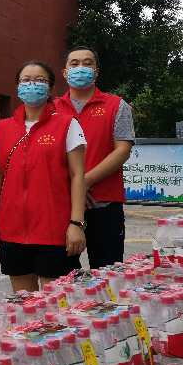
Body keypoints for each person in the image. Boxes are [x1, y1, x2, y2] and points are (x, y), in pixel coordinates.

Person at [0, 60, 88, 292]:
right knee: (24, 302)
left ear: (50, 88)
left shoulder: (67, 124)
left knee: (56, 303)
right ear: (17, 87)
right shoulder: (2, 128)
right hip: (12, 229)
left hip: (54, 229)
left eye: (40, 80)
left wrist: (76, 223)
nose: (32, 85)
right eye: (26, 80)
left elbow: (78, 175)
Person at [54, 46, 134, 269]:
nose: (81, 68)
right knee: (62, 277)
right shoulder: (51, 108)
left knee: (107, 275)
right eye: (74, 63)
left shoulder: (117, 106)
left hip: (104, 204)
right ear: (65, 72)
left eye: (87, 63)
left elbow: (122, 150)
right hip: (61, 204)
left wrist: (84, 181)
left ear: (96, 71)